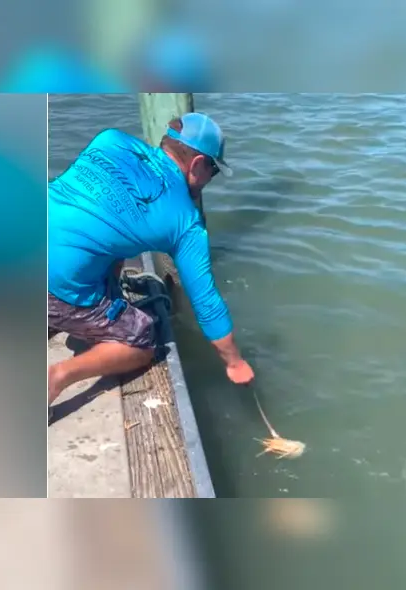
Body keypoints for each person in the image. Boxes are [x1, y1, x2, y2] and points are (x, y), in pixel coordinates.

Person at [47, 112, 255, 406]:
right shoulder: (186, 223)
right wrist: (235, 363)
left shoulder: (110, 140)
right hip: (55, 287)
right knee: (142, 341)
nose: (211, 179)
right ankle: (58, 377)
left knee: (108, 241)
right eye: (214, 170)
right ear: (197, 165)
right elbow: (207, 303)